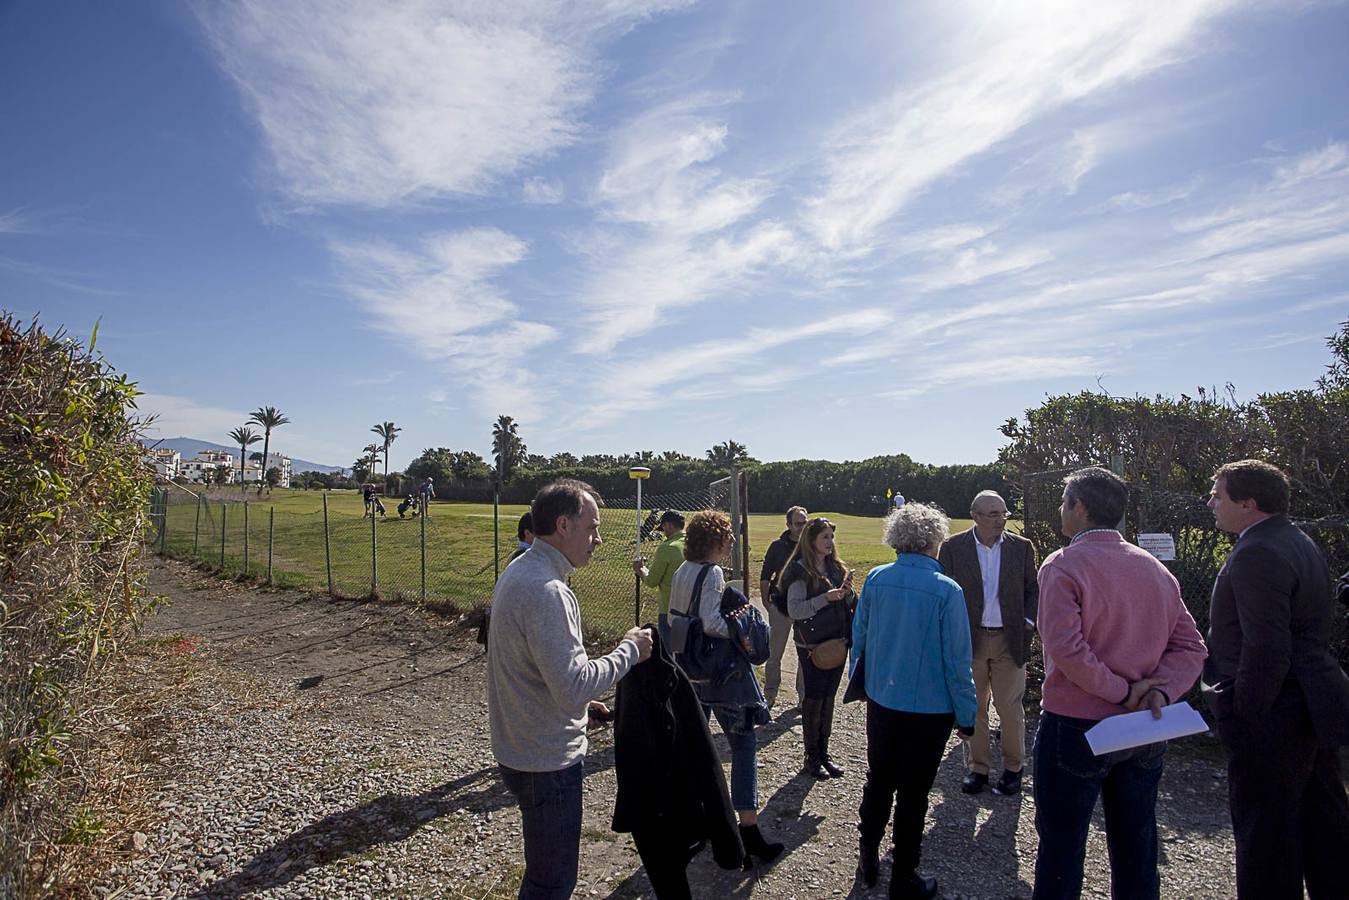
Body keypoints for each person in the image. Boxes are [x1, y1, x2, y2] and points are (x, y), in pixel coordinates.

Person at [1032, 467, 1207, 900]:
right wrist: (1159, 692)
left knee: (1062, 845)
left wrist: (1121, 691)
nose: (1061, 510)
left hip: (1077, 725)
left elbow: (1066, 650)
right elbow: (1192, 647)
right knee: (1136, 843)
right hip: (1147, 725)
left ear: (1080, 507)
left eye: (1064, 502)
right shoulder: (1154, 569)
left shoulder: (1063, 564)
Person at [486, 480, 654, 899]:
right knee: (551, 883)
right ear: (563, 525)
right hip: (546, 764)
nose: (598, 540)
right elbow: (574, 684)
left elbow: (542, 673)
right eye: (593, 528)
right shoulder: (548, 591)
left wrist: (579, 702)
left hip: (520, 748)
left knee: (545, 876)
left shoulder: (520, 569)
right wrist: (630, 650)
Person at [1204, 459, 1349, 898]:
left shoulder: (1258, 551)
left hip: (1276, 713)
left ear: (1248, 503)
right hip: (1312, 704)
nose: (1210, 502)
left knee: (1267, 836)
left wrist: (1243, 714)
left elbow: (1265, 646)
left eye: (1218, 495)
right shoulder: (1295, 539)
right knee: (1323, 825)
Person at [852, 502, 976, 899]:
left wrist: (868, 684)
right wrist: (968, 714)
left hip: (883, 699)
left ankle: (867, 858)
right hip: (930, 709)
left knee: (879, 780)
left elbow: (862, 637)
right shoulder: (947, 590)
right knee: (914, 792)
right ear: (933, 541)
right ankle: (903, 876)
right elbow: (958, 660)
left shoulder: (875, 579)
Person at [668, 510, 784, 866]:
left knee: (695, 751)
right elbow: (713, 623)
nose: (731, 541)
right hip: (723, 675)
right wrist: (746, 618)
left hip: (690, 671)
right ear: (715, 541)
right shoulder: (712, 571)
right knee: (744, 746)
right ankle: (747, 828)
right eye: (727, 536)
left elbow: (677, 619)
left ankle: (694, 823)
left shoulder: (682, 570)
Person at [938, 490, 1038, 797]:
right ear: (975, 516)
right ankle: (978, 769)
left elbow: (1033, 589)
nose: (1000, 520)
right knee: (974, 707)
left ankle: (1013, 768)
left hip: (1010, 639)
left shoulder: (1021, 548)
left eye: (1003, 514)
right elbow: (943, 590)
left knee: (1010, 709)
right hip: (970, 639)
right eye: (993, 514)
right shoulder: (953, 547)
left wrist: (1029, 622)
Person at [783, 517, 857, 779]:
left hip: (836, 641)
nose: (830, 542)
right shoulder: (799, 571)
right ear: (811, 540)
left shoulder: (836, 568)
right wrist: (825, 598)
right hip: (812, 645)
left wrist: (847, 592)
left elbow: (851, 602)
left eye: (831, 537)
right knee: (813, 698)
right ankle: (811, 756)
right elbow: (795, 610)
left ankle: (824, 752)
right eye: (824, 537)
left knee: (828, 697)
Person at [758, 506, 809, 707]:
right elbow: (765, 574)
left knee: (804, 653)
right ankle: (769, 694)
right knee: (774, 653)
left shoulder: (811, 545)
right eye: (798, 523)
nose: (802, 527)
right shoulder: (777, 546)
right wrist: (765, 600)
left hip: (805, 607)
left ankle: (803, 697)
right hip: (780, 604)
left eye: (805, 523)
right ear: (788, 525)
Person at [632, 510, 686, 614]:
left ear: (668, 525)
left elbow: (652, 581)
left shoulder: (667, 548)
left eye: (663, 528)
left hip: (670, 609)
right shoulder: (695, 544)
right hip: (693, 609)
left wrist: (641, 570)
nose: (664, 533)